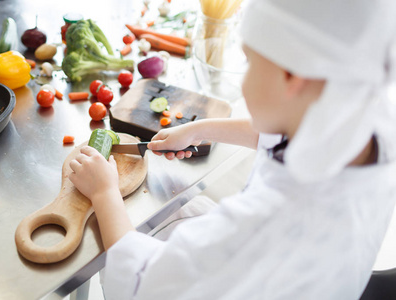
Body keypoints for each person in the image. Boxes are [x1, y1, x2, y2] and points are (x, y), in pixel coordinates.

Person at [69, 0, 396, 298]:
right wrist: (200, 128)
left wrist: (104, 193)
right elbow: (281, 133)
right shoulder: (365, 120)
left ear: (293, 76)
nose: (244, 79)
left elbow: (141, 285)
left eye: (251, 62)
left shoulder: (265, 224)